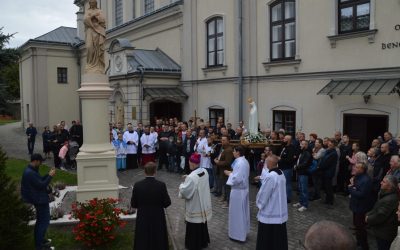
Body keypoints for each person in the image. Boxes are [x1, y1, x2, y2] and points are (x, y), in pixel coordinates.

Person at [131, 162, 171, 250]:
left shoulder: (137, 185)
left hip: (143, 216)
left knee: (143, 238)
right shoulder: (161, 185)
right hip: (158, 216)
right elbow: (167, 203)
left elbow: (133, 204)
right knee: (158, 238)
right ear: (155, 172)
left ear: (144, 172)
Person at [21, 154, 56, 250]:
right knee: (44, 222)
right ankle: (40, 246)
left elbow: (39, 181)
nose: (41, 164)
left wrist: (47, 175)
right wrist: (50, 176)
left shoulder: (31, 170)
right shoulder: (30, 173)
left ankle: (40, 241)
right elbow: (41, 185)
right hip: (40, 200)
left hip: (38, 199)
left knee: (40, 222)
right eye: (40, 162)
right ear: (35, 161)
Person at [179, 153, 212, 250]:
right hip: (202, 205)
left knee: (194, 224)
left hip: (195, 205)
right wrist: (188, 177)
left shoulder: (191, 177)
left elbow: (185, 192)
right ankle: (203, 241)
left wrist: (182, 184)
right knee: (201, 223)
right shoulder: (204, 171)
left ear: (192, 163)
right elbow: (197, 179)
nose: (188, 163)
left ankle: (193, 244)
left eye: (189, 162)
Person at [256, 155, 288, 250]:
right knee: (278, 237)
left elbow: (264, 193)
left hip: (270, 210)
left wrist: (259, 204)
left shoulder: (271, 176)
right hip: (279, 209)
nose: (265, 164)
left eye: (266, 162)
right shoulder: (281, 173)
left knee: (267, 237)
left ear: (270, 163)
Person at [224, 146, 250, 242]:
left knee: (237, 213)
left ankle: (238, 235)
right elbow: (240, 175)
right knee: (241, 212)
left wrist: (229, 174)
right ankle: (241, 233)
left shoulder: (240, 163)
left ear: (238, 152)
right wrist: (232, 173)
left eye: (234, 151)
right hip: (241, 190)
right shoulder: (243, 161)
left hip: (238, 191)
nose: (233, 153)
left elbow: (237, 179)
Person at [366, 175, 399, 250]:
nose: (381, 183)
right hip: (383, 230)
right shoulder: (386, 194)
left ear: (390, 186)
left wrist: (368, 219)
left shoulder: (390, 199)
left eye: (384, 182)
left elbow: (380, 215)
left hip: (384, 233)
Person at [348, 162, 373, 250]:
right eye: (355, 166)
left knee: (361, 227)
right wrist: (353, 187)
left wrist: (351, 188)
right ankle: (359, 242)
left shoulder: (366, 180)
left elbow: (361, 194)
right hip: (356, 205)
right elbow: (356, 188)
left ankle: (364, 246)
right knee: (357, 225)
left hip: (361, 207)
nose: (354, 168)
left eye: (357, 167)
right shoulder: (358, 177)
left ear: (362, 170)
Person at [84, 0, 106, 73]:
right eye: (91, 2)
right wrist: (92, 16)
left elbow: (103, 20)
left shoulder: (99, 10)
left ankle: (98, 66)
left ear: (95, 3)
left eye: (93, 2)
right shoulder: (88, 11)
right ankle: (90, 65)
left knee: (97, 48)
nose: (92, 4)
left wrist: (96, 17)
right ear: (89, 3)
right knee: (89, 47)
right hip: (90, 30)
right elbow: (85, 20)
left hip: (98, 31)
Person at [214, 136, 234, 208]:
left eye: (224, 140)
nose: (222, 141)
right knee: (224, 186)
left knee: (227, 187)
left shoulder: (228, 150)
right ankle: (225, 198)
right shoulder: (224, 148)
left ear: (228, 141)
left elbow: (227, 162)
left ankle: (228, 202)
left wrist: (218, 162)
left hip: (226, 171)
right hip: (222, 170)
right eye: (222, 140)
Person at [293, 140, 312, 212]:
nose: (300, 145)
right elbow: (299, 161)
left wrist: (297, 167)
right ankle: (301, 202)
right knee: (300, 188)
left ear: (306, 145)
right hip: (300, 173)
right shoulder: (302, 152)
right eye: (300, 144)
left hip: (304, 173)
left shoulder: (307, 153)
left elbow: (305, 163)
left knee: (304, 190)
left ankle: (305, 205)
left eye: (302, 144)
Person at [318, 138, 338, 205]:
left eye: (330, 145)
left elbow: (326, 163)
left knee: (328, 187)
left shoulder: (333, 153)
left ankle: (330, 201)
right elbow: (323, 159)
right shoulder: (328, 151)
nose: (329, 145)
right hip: (325, 172)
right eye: (328, 144)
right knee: (326, 187)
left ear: (334, 145)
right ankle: (327, 199)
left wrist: (320, 166)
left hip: (328, 172)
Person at [278, 135, 295, 203]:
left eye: (284, 139)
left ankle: (288, 197)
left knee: (287, 183)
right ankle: (283, 196)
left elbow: (289, 159)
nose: (283, 139)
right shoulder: (284, 147)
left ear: (288, 140)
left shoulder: (291, 148)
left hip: (287, 168)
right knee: (283, 183)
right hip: (282, 167)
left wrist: (280, 159)